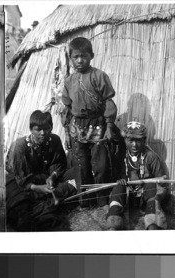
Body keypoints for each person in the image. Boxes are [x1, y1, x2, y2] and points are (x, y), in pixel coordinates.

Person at [60, 37, 123, 208]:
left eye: (84, 56)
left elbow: (109, 102)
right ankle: (86, 201)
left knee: (100, 165)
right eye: (76, 57)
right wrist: (66, 133)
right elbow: (66, 109)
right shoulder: (69, 81)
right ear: (70, 58)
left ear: (91, 56)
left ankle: (102, 199)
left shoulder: (99, 76)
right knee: (82, 165)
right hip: (77, 127)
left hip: (98, 125)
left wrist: (109, 126)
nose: (80, 60)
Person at [6, 110, 77, 231]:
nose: (43, 133)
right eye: (37, 129)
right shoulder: (20, 146)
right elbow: (21, 179)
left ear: (51, 127)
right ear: (30, 129)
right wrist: (40, 188)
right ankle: (62, 192)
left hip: (44, 178)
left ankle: (59, 193)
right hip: (20, 182)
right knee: (20, 211)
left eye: (47, 128)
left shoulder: (54, 140)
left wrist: (53, 176)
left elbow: (59, 163)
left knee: (78, 172)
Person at [106, 121, 169, 230]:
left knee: (151, 186)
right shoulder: (120, 156)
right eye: (131, 140)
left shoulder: (151, 157)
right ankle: (113, 224)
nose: (134, 144)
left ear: (144, 140)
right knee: (118, 188)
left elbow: (162, 184)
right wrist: (120, 181)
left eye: (138, 140)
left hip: (146, 198)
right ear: (125, 140)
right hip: (126, 197)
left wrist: (149, 183)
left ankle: (152, 224)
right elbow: (114, 177)